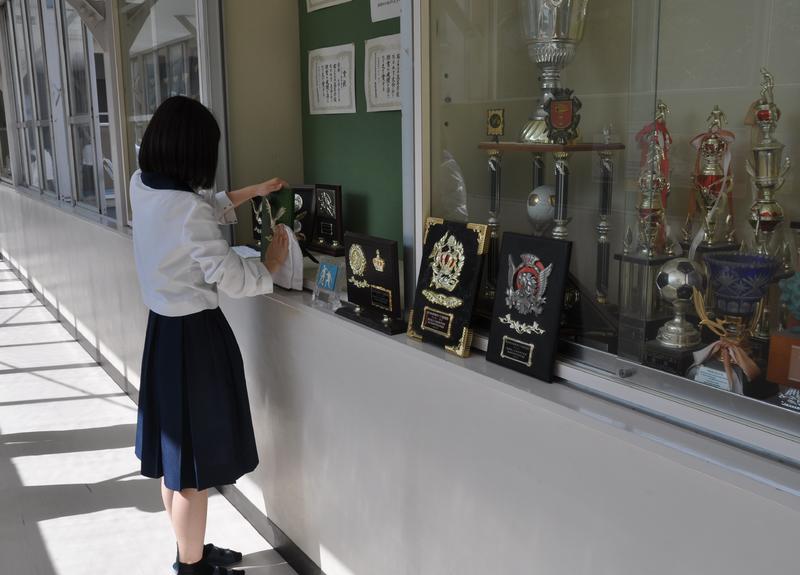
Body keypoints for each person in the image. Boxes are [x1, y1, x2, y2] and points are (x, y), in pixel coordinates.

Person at [130, 96, 289, 575]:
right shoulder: (187, 210)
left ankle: (189, 550)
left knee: (174, 463)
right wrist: (270, 265)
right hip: (194, 343)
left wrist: (250, 192)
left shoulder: (141, 185)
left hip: (163, 334)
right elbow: (229, 275)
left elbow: (195, 212)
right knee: (191, 474)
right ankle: (192, 567)